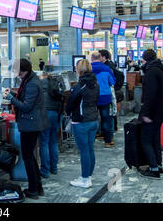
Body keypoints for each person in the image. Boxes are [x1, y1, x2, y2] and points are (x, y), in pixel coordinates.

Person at [4, 59, 49, 199]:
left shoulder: (32, 84)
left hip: (30, 124)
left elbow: (26, 106)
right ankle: (37, 185)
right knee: (30, 155)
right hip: (31, 123)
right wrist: (14, 93)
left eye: (19, 72)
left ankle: (33, 189)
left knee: (28, 157)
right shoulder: (30, 80)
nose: (18, 75)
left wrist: (11, 98)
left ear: (25, 71)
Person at [65, 59, 99, 188]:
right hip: (93, 120)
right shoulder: (95, 84)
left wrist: (68, 112)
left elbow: (70, 104)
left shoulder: (78, 87)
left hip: (81, 122)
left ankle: (85, 179)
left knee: (84, 151)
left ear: (78, 70)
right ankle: (88, 176)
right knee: (90, 149)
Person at [138, 50, 163, 179]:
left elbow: (149, 95)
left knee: (145, 140)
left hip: (152, 112)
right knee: (155, 139)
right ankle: (158, 165)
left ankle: (153, 169)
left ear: (145, 59)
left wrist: (145, 113)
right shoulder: (161, 71)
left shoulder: (151, 72)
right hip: (161, 110)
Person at [38, 73, 63, 179]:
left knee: (44, 143)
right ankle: (54, 168)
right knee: (53, 142)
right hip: (56, 115)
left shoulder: (39, 87)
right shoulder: (55, 86)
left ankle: (45, 170)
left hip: (45, 115)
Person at [91, 52, 116, 148]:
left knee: (92, 118)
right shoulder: (107, 69)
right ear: (100, 58)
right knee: (106, 118)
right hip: (105, 96)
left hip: (92, 96)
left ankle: (91, 141)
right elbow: (112, 82)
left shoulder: (88, 69)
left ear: (92, 58)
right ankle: (108, 141)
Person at [99, 50, 124, 131]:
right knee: (112, 111)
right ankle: (113, 128)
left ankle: (110, 129)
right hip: (111, 91)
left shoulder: (107, 66)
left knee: (109, 112)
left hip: (109, 92)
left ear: (103, 57)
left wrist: (115, 87)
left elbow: (120, 75)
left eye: (99, 56)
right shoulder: (109, 64)